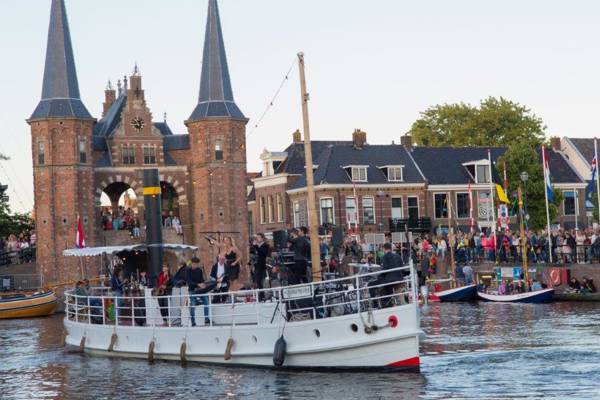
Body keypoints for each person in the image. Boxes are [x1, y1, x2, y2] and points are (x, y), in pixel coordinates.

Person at [186, 257, 210, 326]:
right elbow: (189, 282)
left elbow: (201, 279)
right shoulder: (187, 270)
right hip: (192, 290)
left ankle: (206, 318)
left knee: (206, 301)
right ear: (191, 263)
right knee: (193, 306)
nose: (195, 265)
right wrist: (198, 284)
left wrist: (203, 284)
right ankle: (193, 322)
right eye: (194, 264)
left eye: (196, 264)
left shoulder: (199, 270)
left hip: (199, 290)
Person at [252, 233, 270, 298]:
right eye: (256, 238)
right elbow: (253, 254)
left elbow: (262, 254)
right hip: (256, 264)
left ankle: (262, 295)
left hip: (262, 264)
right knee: (256, 280)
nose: (257, 239)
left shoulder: (266, 245)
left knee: (260, 280)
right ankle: (261, 294)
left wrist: (256, 246)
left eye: (258, 237)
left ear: (262, 238)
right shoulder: (256, 246)